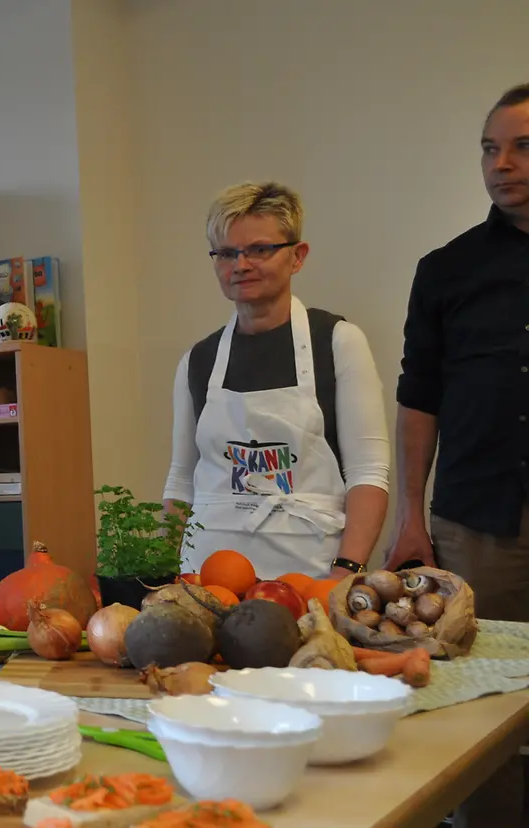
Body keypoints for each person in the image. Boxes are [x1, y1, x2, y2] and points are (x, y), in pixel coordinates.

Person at [388, 82, 529, 828]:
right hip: (478, 520)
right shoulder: (447, 269)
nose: (501, 164)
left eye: (522, 146)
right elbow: (420, 397)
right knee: (481, 700)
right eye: (489, 148)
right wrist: (411, 516)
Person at [163, 182, 389, 580]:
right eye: (227, 253)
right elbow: (181, 481)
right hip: (205, 580)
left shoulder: (337, 342)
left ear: (297, 257)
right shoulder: (197, 361)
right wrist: (163, 567)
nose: (242, 264)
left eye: (260, 249)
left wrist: (346, 572)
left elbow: (368, 473)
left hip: (311, 577)